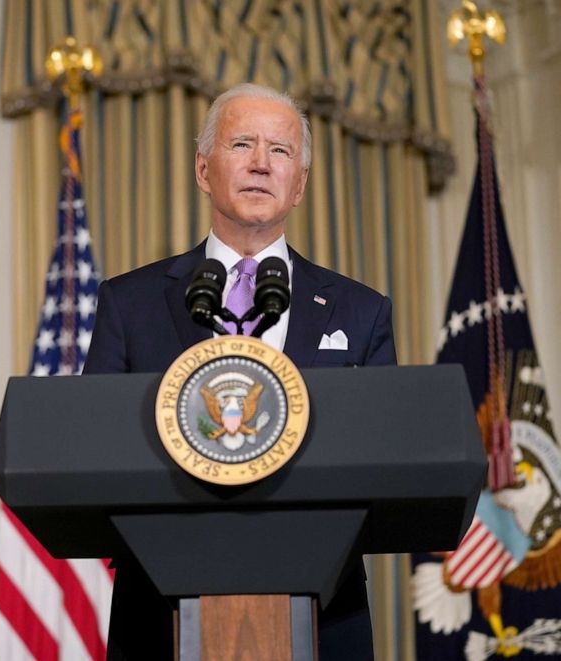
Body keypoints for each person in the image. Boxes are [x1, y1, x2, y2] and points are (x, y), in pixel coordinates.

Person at [84, 83, 396, 660]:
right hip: (161, 611)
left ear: (299, 184)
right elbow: (96, 455)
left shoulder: (360, 310)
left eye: (280, 151)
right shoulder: (129, 303)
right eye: (242, 144)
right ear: (204, 170)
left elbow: (380, 465)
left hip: (323, 616)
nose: (260, 164)